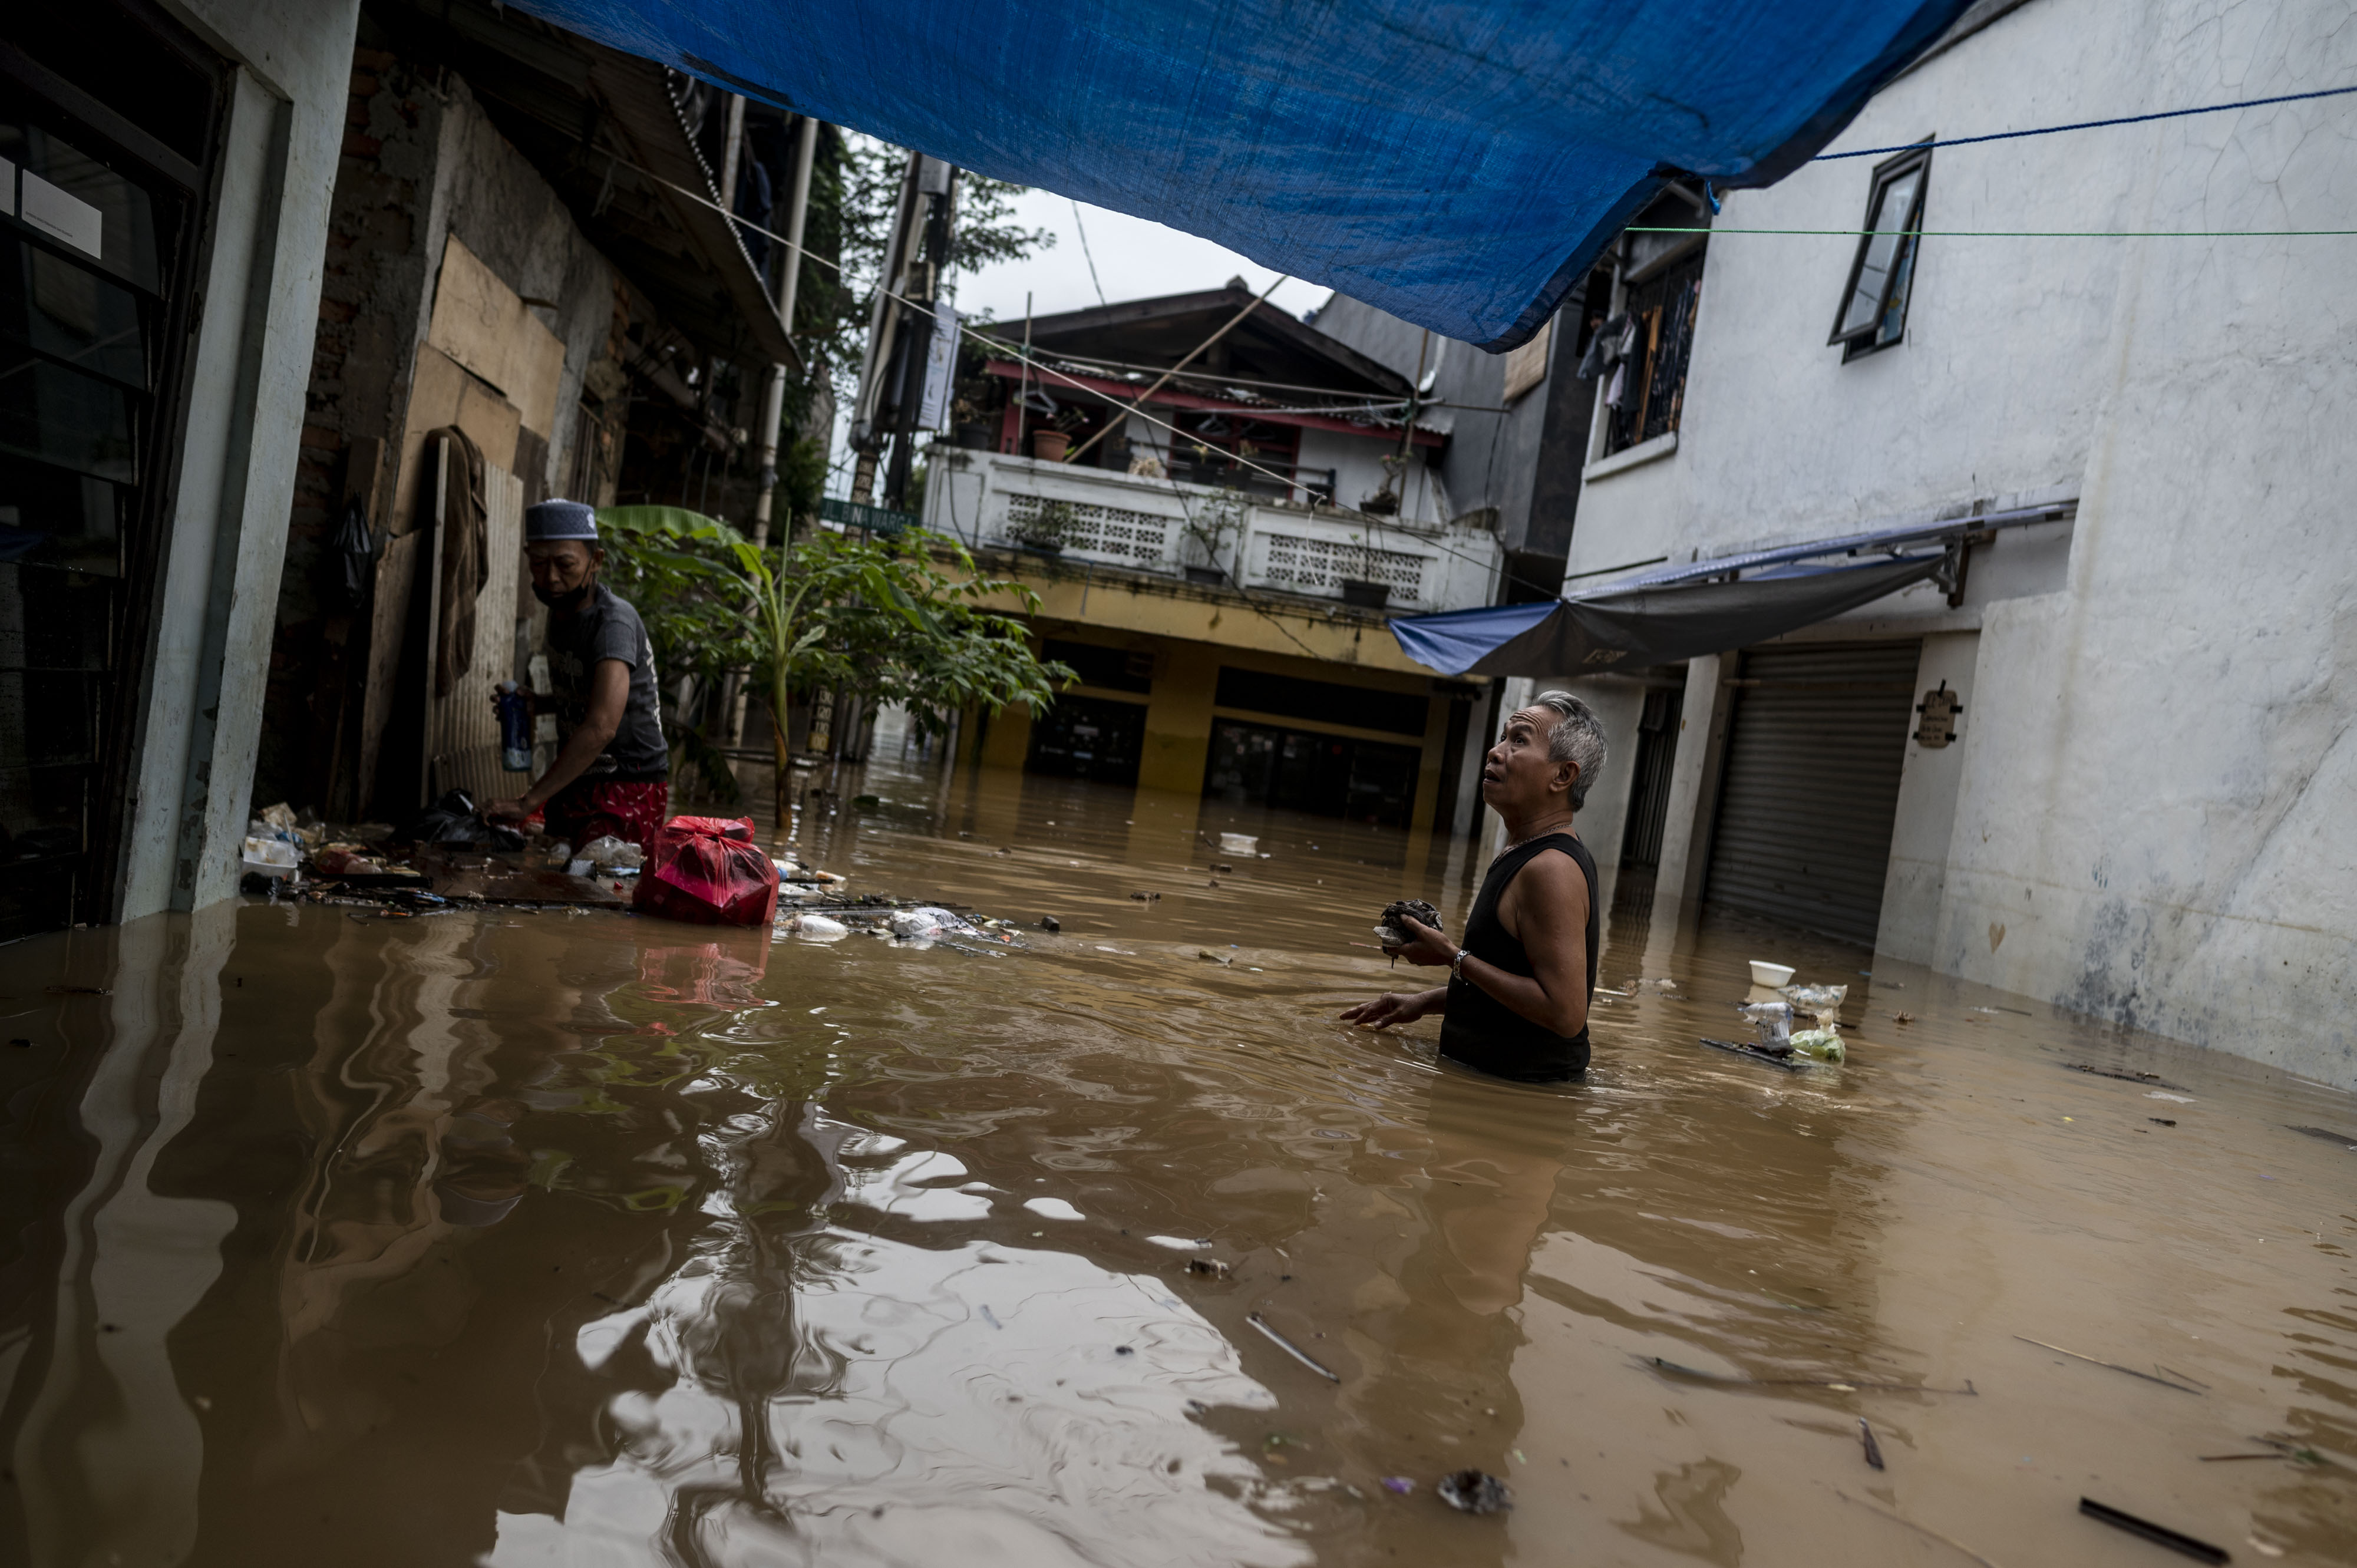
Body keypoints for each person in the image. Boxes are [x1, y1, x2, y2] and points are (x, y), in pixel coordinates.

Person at [1340, 691, 1604, 1081]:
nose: (1496, 752)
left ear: (1562, 775)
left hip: (1521, 1105)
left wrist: (1452, 956)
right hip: (1487, 1091)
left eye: (1519, 741)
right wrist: (1425, 1002)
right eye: (1503, 737)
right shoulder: (1525, 851)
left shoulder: (1551, 869)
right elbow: (1513, 990)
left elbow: (1563, 1013)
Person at [484, 500, 671, 849]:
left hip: (628, 779)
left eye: (565, 564)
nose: (551, 577)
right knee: (550, 867)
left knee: (599, 883)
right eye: (539, 564)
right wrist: (538, 704)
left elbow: (602, 726)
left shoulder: (613, 622)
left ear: (595, 561)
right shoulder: (561, 612)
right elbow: (587, 693)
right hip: (582, 775)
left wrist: (528, 801)